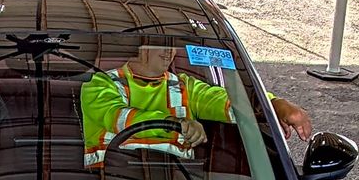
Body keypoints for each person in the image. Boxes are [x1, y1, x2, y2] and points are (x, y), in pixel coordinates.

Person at [80, 43, 313, 168]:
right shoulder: (100, 83)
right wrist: (176, 125)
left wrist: (274, 103)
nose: (170, 51)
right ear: (140, 47)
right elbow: (118, 118)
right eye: (162, 43)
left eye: (173, 44)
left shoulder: (185, 86)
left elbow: (229, 102)